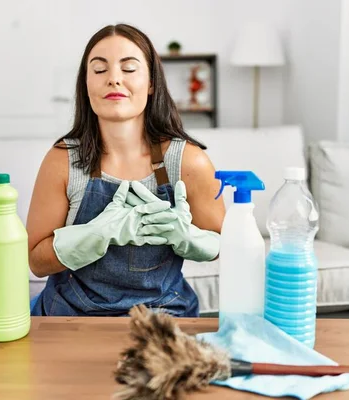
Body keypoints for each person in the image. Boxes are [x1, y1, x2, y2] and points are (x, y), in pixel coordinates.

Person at [27, 23, 225, 317]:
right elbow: (36, 262)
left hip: (163, 317)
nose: (114, 80)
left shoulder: (188, 162)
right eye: (99, 70)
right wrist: (92, 235)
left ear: (151, 84)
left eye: (129, 69)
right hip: (69, 315)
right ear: (86, 84)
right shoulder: (62, 161)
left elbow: (226, 245)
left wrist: (188, 237)